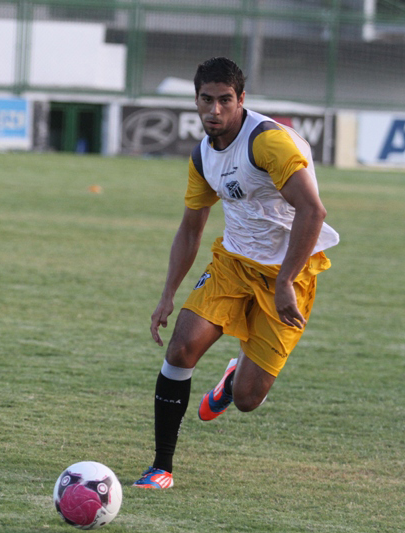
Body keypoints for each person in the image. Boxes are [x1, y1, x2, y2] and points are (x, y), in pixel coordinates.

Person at [134, 57, 339, 489]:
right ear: (195, 101)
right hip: (232, 263)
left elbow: (313, 210)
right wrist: (167, 294)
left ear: (241, 100)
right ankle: (161, 466)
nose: (215, 110)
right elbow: (191, 227)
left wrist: (285, 281)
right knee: (181, 349)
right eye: (206, 100)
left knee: (248, 399)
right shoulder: (203, 156)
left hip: (289, 274)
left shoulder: (266, 143)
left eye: (225, 100)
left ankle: (233, 380)